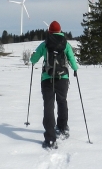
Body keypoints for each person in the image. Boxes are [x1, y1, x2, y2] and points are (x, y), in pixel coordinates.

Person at [30, 20, 79, 149]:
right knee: (62, 101)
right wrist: (75, 69)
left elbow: (33, 59)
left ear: (49, 31)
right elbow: (72, 60)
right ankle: (63, 128)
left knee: (48, 106)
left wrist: (33, 58)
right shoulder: (66, 44)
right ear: (60, 30)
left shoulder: (45, 43)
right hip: (63, 78)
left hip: (47, 78)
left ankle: (50, 138)